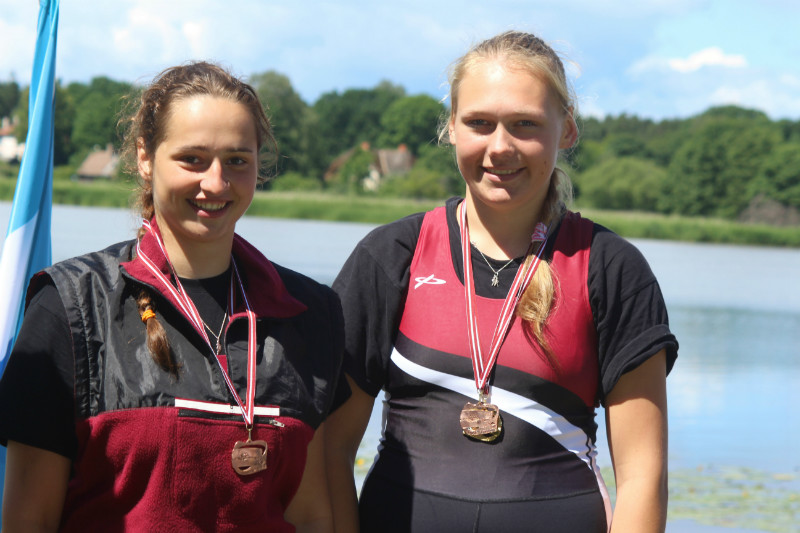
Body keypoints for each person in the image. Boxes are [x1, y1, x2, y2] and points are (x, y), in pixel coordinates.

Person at [325, 31, 678, 533]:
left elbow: (644, 477)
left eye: (524, 124)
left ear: (567, 130)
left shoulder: (611, 269)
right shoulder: (392, 256)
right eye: (479, 123)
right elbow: (329, 449)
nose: (500, 147)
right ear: (451, 127)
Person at [0, 61, 343, 532]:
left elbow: (311, 515)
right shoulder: (70, 305)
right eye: (193, 159)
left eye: (237, 160)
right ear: (145, 157)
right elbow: (29, 519)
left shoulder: (309, 313)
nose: (216, 182)